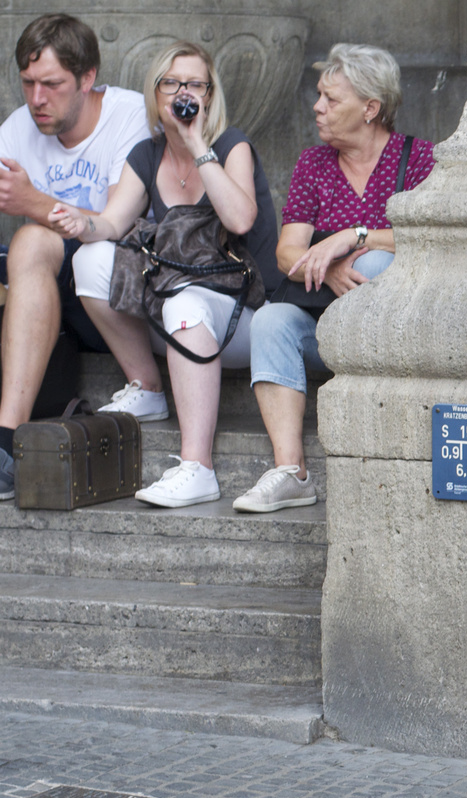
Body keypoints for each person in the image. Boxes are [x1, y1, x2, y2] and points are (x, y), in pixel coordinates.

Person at [49, 41, 282, 508]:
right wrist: (82, 223)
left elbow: (239, 219)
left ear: (209, 95)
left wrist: (198, 144)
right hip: (177, 318)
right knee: (88, 260)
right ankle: (148, 387)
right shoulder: (147, 154)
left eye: (194, 84)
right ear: (155, 93)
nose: (182, 93)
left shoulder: (231, 144)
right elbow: (112, 223)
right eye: (171, 83)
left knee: (185, 302)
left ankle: (198, 468)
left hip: (241, 321)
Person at [232, 44, 434, 514]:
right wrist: (333, 266)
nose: (318, 108)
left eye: (331, 99)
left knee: (376, 264)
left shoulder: (418, 160)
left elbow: (429, 236)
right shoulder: (314, 164)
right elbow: (286, 252)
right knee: (269, 322)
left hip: (391, 331)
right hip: (321, 323)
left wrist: (352, 237)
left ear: (370, 108)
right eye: (319, 96)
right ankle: (291, 472)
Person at [0, 14, 148, 500]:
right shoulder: (18, 129)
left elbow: (111, 222)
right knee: (27, 244)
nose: (36, 99)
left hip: (119, 293)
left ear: (87, 78)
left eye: (51, 84)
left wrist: (35, 204)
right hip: (45, 296)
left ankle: (6, 439)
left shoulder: (128, 116)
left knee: (31, 238)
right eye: (27, 83)